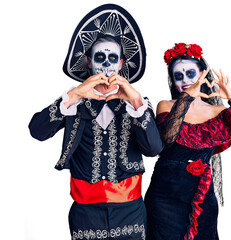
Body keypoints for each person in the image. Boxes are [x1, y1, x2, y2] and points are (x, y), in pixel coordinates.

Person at [29, 4, 162, 240]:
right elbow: (37, 131)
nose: (107, 64)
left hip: (130, 212)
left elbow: (153, 149)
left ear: (121, 64)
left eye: (113, 58)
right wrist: (74, 95)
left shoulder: (137, 104)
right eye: (100, 57)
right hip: (85, 213)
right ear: (89, 62)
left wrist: (136, 101)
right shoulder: (74, 103)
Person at [144, 43, 231, 240]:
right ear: (173, 82)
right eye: (178, 76)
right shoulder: (166, 106)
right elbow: (168, 138)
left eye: (190, 73)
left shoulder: (219, 113)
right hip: (164, 196)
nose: (185, 81)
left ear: (202, 75)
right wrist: (187, 98)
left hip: (202, 195)